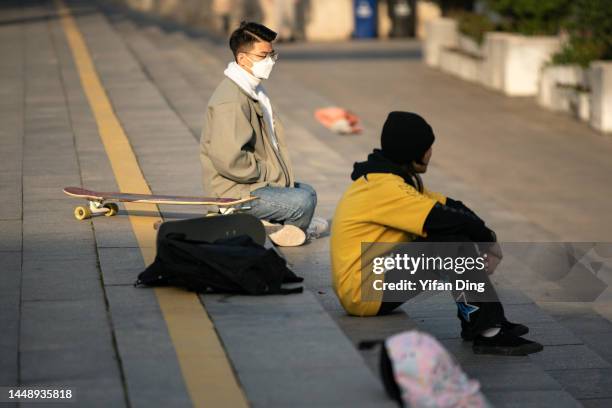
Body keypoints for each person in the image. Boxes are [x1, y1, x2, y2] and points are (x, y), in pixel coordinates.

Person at [330, 111, 543, 355]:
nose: (431, 153)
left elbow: (451, 206)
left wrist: (486, 235)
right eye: (427, 147)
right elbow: (444, 218)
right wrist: (488, 242)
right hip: (363, 293)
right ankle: (488, 332)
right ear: (413, 152)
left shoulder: (394, 179)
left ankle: (484, 322)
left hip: (372, 283)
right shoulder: (383, 188)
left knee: (450, 231)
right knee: (450, 239)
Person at [199, 21, 327, 246]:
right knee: (304, 200)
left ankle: (284, 224)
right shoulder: (231, 100)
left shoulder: (252, 90)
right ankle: (288, 229)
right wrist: (270, 174)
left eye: (272, 55)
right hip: (234, 194)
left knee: (308, 191)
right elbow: (229, 161)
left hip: (251, 184)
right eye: (263, 56)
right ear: (242, 59)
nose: (270, 61)